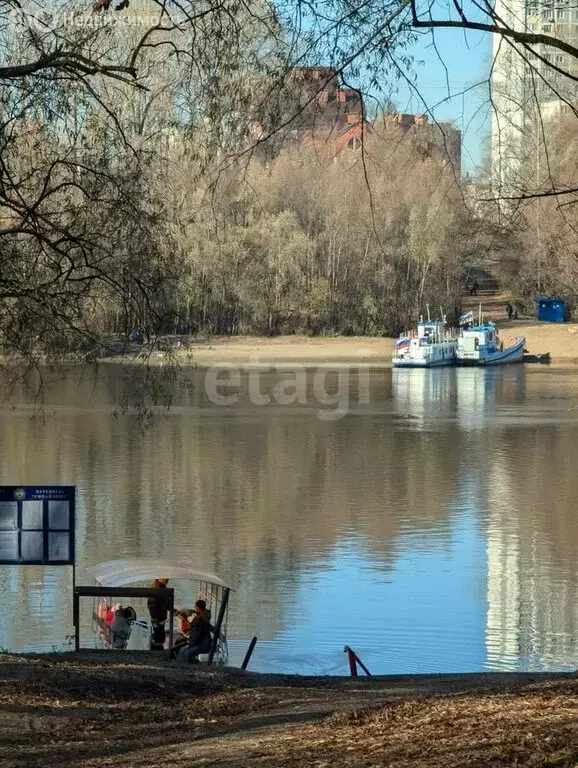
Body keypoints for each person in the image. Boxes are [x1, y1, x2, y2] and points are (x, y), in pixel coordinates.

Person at [179, 599, 214, 664]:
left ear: (198, 607)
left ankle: (185, 666)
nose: (195, 608)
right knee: (184, 650)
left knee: (185, 652)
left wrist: (184, 618)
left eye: (195, 607)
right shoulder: (205, 615)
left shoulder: (199, 619)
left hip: (202, 644)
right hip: (201, 642)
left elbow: (190, 627)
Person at [147, 578, 170, 649]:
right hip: (157, 618)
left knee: (160, 635)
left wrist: (172, 609)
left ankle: (159, 649)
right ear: (158, 578)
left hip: (160, 618)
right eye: (164, 578)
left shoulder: (163, 588)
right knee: (159, 636)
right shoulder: (156, 589)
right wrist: (154, 618)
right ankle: (158, 651)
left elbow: (166, 603)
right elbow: (151, 605)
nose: (166, 579)